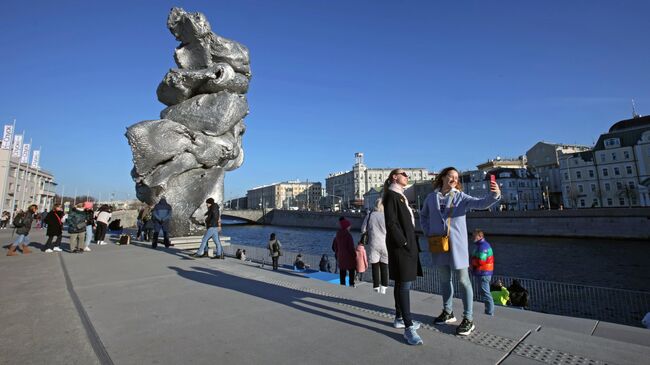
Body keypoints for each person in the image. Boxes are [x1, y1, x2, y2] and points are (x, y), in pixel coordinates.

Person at [420, 166, 501, 336]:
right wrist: (428, 231)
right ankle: (448, 312)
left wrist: (494, 195)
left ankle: (468, 319)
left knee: (464, 281)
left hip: (457, 245)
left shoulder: (460, 197)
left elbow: (480, 203)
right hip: (439, 245)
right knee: (444, 279)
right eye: (451, 176)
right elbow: (423, 215)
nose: (454, 179)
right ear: (442, 177)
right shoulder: (431, 198)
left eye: (457, 177)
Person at [383, 169, 423, 345]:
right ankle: (408, 327)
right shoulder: (392, 195)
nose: (407, 176)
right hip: (402, 248)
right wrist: (404, 243)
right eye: (404, 173)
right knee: (404, 286)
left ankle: (399, 318)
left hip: (405, 246)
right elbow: (391, 223)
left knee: (400, 283)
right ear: (395, 177)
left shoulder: (399, 195)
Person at [362, 198, 388, 294]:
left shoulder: (369, 216)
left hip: (373, 244)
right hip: (385, 244)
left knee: (375, 266)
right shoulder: (387, 216)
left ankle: (376, 287)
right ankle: (384, 287)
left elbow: (363, 230)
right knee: (384, 265)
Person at [470, 229, 495, 316]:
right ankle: (488, 311)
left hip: (484, 273)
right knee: (484, 292)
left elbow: (481, 261)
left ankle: (489, 312)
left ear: (480, 236)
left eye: (474, 236)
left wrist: (470, 263)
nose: (472, 237)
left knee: (486, 293)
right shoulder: (481, 245)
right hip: (483, 272)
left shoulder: (483, 246)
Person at [332, 218, 356, 287]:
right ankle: (351, 284)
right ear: (346, 226)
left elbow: (334, 246)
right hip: (349, 257)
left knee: (342, 271)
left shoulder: (337, 234)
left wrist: (337, 253)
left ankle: (342, 285)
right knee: (351, 270)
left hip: (340, 256)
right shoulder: (348, 235)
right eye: (349, 226)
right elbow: (351, 247)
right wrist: (354, 255)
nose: (350, 227)